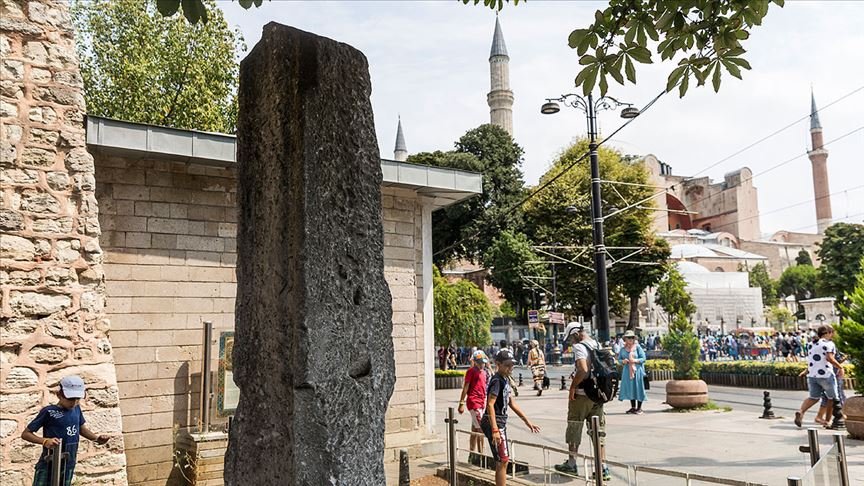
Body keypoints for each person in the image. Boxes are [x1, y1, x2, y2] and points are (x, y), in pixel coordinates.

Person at [21, 375, 111, 486]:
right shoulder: (48, 412)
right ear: (59, 395)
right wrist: (45, 441)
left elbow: (81, 429)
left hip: (68, 463)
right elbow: (26, 434)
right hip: (50, 462)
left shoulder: (76, 409)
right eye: (70, 399)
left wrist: (97, 439)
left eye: (77, 399)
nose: (73, 403)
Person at [554, 322, 611, 481]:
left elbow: (583, 370)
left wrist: (572, 387)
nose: (571, 342)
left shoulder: (580, 347)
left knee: (574, 426)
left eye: (571, 338)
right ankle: (603, 467)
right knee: (598, 431)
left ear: (576, 334)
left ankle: (572, 464)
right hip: (597, 395)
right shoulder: (596, 343)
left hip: (581, 395)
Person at [480, 349, 541, 486]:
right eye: (507, 365)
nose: (510, 368)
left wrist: (527, 422)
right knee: (503, 460)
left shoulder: (505, 379)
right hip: (495, 423)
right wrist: (495, 429)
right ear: (498, 364)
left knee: (502, 460)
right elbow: (490, 404)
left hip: (499, 422)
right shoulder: (497, 381)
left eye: (511, 365)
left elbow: (512, 403)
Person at [794, 325, 843, 428]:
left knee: (813, 397)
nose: (832, 335)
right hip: (826, 374)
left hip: (812, 375)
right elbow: (829, 358)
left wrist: (806, 371)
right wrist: (840, 367)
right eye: (832, 333)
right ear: (827, 333)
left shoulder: (811, 344)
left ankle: (801, 411)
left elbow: (814, 360)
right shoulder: (829, 344)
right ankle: (827, 421)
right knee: (832, 398)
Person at [459, 350, 490, 465]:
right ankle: (481, 456)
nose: (482, 364)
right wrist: (461, 403)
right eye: (480, 362)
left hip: (482, 402)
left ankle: (472, 454)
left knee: (474, 429)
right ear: (475, 362)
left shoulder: (484, 372)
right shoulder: (471, 372)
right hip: (474, 402)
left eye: (483, 362)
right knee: (480, 429)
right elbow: (466, 387)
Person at [618, 330, 647, 414]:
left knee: (639, 388)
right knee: (631, 388)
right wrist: (623, 361)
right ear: (625, 339)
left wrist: (635, 360)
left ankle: (639, 408)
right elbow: (619, 359)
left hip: (637, 371)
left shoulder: (637, 347)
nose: (630, 339)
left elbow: (643, 358)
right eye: (629, 338)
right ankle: (633, 407)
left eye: (632, 338)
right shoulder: (623, 349)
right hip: (627, 371)